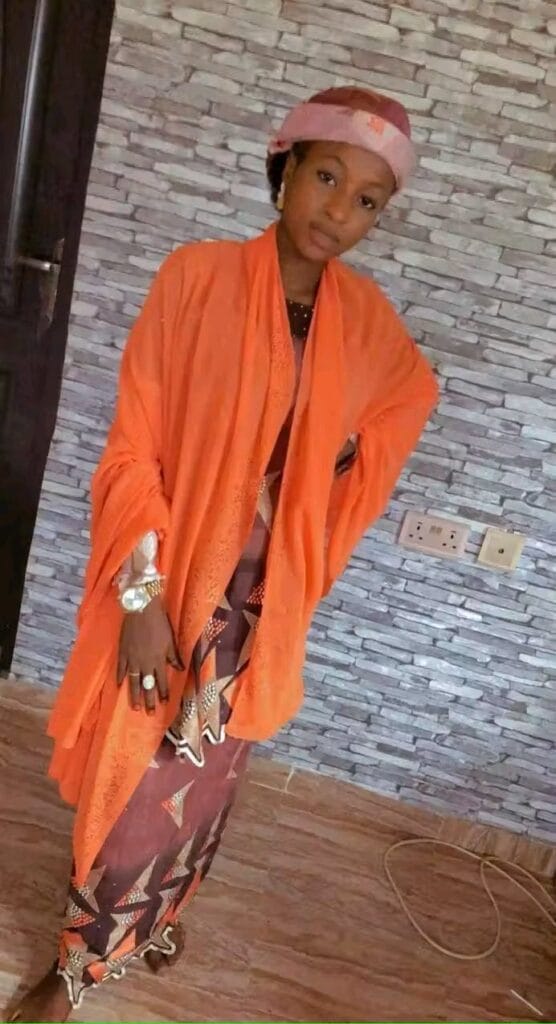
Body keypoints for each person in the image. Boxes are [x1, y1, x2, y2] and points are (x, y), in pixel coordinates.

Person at [10, 85, 438, 1022]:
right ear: (285, 168)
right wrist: (141, 602)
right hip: (169, 591)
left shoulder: (364, 323)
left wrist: (322, 491)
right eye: (328, 177)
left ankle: (157, 917)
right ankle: (74, 970)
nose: (340, 209)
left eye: (368, 199)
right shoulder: (196, 279)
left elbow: (410, 396)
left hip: (259, 614)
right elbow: (133, 450)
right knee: (133, 783)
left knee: (201, 791)